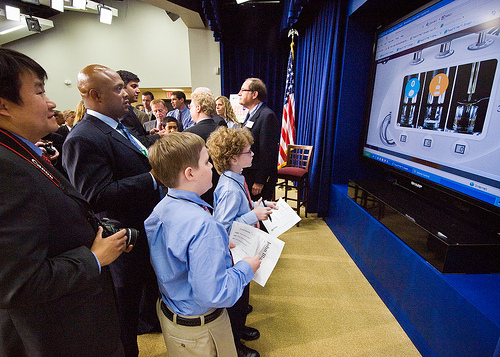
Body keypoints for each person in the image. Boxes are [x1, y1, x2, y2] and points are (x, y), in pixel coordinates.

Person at [0, 48, 129, 357]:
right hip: (63, 336)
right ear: (4, 105)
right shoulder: (7, 170)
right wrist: (95, 257)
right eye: (40, 91)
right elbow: (18, 282)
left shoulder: (22, 153)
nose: (52, 102)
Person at [62, 64, 162, 357]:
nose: (127, 94)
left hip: (145, 231)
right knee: (124, 317)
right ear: (94, 95)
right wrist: (154, 178)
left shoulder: (118, 127)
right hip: (124, 242)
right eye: (118, 89)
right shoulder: (83, 137)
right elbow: (95, 195)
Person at [145, 131, 261, 357]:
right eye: (206, 162)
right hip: (200, 329)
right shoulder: (204, 225)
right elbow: (214, 294)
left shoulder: (160, 209)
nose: (212, 167)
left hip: (172, 312)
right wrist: (246, 267)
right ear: (189, 173)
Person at [207, 127, 277, 357]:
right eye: (249, 152)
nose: (253, 154)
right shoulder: (229, 188)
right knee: (237, 301)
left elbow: (242, 208)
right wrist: (252, 215)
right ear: (234, 158)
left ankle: (239, 328)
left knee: (243, 296)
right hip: (234, 251)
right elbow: (223, 226)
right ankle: (234, 345)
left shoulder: (236, 178)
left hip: (243, 245)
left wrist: (260, 206)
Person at [239, 78, 280, 201]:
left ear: (254, 94)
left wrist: (260, 181)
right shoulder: (251, 114)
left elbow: (268, 153)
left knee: (259, 214)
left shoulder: (267, 116)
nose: (239, 94)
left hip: (257, 178)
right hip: (249, 174)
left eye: (242, 90)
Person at [184, 90, 220, 206]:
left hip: (198, 190)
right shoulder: (223, 132)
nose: (190, 110)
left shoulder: (187, 134)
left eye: (191, 106)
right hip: (221, 186)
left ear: (198, 108)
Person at [117, 70, 165, 148]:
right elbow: (134, 141)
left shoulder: (128, 108)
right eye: (133, 86)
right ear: (122, 88)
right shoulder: (122, 111)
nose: (138, 91)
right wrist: (158, 137)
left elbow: (135, 134)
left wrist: (148, 134)